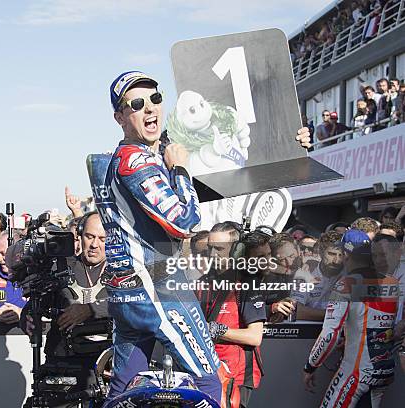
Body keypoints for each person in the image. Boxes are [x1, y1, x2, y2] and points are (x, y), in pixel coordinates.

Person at [98, 71, 311, 404]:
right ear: (120, 117)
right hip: (156, 290)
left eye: (155, 98)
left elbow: (226, 158)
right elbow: (183, 221)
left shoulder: (148, 156)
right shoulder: (137, 159)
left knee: (122, 387)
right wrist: (180, 169)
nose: (150, 108)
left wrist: (288, 146)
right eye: (137, 104)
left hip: (130, 291)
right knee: (210, 381)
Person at [21, 212, 109, 407]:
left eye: (102, 239)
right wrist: (27, 319)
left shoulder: (122, 272)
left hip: (107, 365)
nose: (95, 245)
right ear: (78, 235)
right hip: (63, 366)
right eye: (89, 237)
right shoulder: (59, 267)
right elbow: (34, 305)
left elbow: (134, 302)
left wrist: (91, 310)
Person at [303, 229, 399, 407]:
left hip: (357, 372)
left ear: (347, 255)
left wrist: (311, 366)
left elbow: (330, 335)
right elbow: (377, 322)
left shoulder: (345, 284)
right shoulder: (392, 282)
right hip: (385, 369)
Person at [197, 223, 266, 407]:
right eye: (210, 248)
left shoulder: (248, 283)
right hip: (207, 370)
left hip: (237, 376)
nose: (212, 254)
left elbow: (255, 336)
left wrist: (218, 330)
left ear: (237, 250)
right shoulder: (202, 282)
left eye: (219, 249)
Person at [292, 230, 345, 321]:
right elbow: (297, 311)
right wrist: (335, 316)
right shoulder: (305, 273)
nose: (337, 261)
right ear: (320, 252)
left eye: (341, 255)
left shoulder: (349, 274)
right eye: (331, 254)